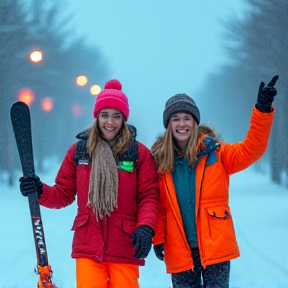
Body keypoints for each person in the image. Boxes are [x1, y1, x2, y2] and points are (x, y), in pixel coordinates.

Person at [19, 79, 159, 288]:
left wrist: (146, 227)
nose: (109, 122)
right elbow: (63, 193)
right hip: (88, 246)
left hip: (124, 245)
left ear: (124, 119)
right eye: (104, 115)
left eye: (116, 116)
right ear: (97, 117)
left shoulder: (138, 154)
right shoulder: (80, 151)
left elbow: (149, 196)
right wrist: (39, 191)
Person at [150, 75, 279, 288]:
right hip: (179, 248)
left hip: (215, 247)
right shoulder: (159, 161)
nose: (181, 124)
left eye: (186, 118)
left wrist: (262, 111)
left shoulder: (217, 153)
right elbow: (159, 206)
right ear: (168, 124)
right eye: (175, 119)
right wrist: (158, 239)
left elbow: (251, 149)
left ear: (195, 122)